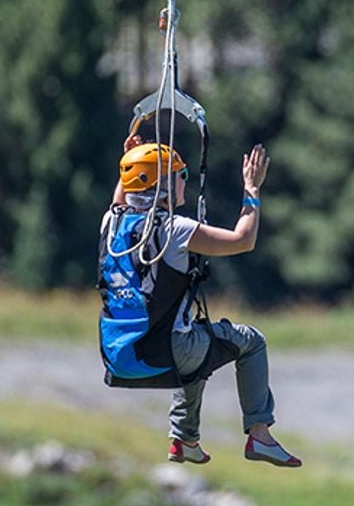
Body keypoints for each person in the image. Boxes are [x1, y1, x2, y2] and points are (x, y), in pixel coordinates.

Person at [98, 134, 301, 468]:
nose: (184, 182)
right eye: (181, 175)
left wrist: (134, 158)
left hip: (118, 355)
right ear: (163, 186)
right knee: (249, 342)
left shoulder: (111, 223)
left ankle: (185, 440)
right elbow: (242, 239)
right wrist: (252, 188)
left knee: (195, 342)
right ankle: (260, 435)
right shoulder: (173, 230)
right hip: (163, 350)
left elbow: (124, 197)